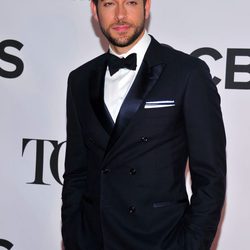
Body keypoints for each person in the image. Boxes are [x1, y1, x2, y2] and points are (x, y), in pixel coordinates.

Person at [61, 0, 226, 249]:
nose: (120, 15)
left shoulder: (187, 73)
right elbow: (76, 173)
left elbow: (210, 177)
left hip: (161, 239)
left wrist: (190, 245)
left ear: (146, 7)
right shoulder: (79, 80)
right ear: (95, 11)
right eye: (108, 4)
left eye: (130, 2)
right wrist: (74, 235)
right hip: (95, 240)